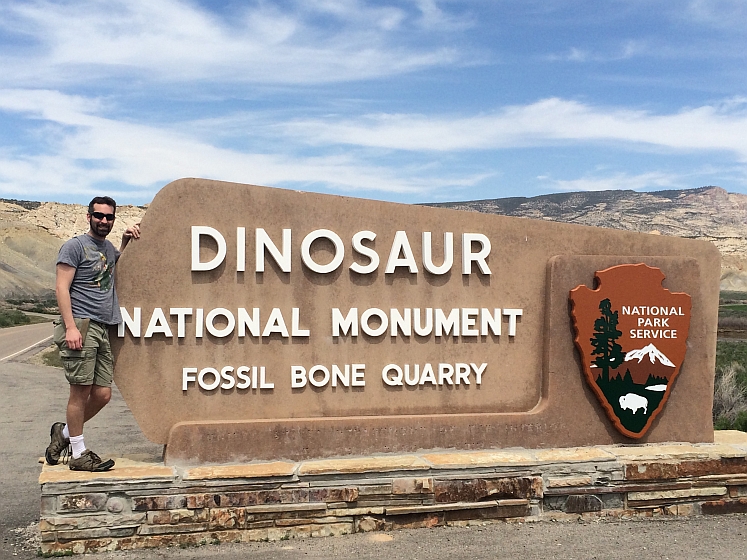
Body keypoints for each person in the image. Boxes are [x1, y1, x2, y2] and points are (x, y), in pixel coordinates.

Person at [45, 196, 140, 471]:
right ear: (89, 216)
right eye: (99, 215)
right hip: (82, 325)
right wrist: (71, 327)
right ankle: (78, 453)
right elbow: (62, 287)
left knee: (102, 394)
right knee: (80, 392)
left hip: (101, 326)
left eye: (109, 217)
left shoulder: (108, 248)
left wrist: (125, 242)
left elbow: (111, 267)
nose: (104, 221)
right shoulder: (75, 246)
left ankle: (63, 435)